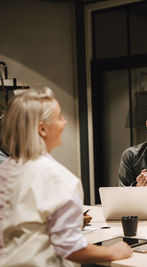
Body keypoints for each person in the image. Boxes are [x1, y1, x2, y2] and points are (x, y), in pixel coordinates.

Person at [0, 88, 132, 266]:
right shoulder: (58, 178)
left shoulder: (6, 169)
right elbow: (71, 248)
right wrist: (113, 252)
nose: (65, 122)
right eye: (60, 117)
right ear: (43, 129)